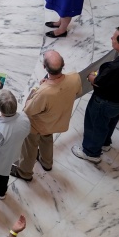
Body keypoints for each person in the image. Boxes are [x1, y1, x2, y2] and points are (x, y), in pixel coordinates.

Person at [72, 27, 119, 163]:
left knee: (96, 124)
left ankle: (91, 152)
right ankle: (105, 143)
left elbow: (98, 82)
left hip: (106, 101)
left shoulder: (116, 67)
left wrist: (91, 77)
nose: (111, 38)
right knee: (110, 121)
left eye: (113, 37)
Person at [10, 52, 82, 182]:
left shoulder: (43, 92)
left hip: (37, 125)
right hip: (57, 121)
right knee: (47, 139)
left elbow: (28, 110)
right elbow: (78, 92)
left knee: (30, 147)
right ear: (63, 65)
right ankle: (46, 163)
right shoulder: (75, 77)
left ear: (44, 67)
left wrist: (37, 88)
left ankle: (25, 172)